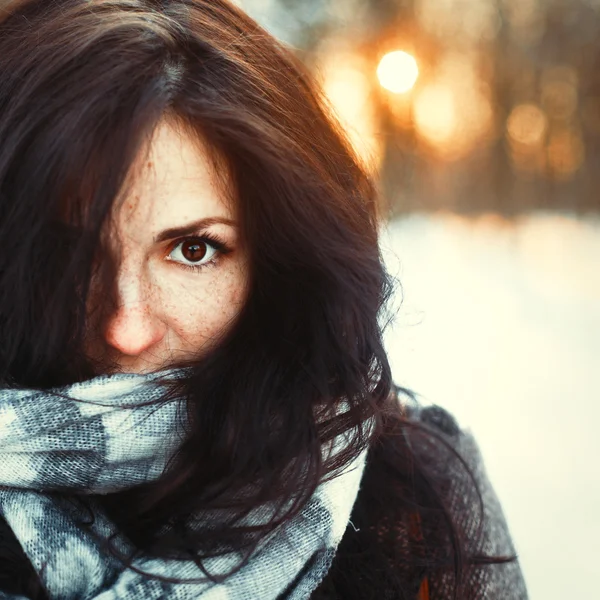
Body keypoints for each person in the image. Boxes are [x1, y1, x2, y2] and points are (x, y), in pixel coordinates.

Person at [0, 0, 528, 598]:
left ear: (280, 263)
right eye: (71, 256)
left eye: (194, 250)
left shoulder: (411, 500)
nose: (126, 327)